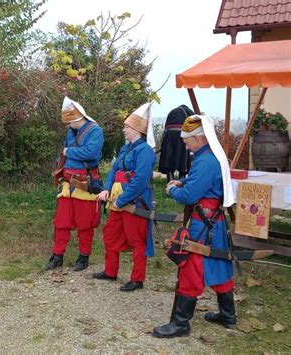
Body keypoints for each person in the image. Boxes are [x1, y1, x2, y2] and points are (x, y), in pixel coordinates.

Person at [153, 115, 236, 338]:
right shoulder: (208, 157)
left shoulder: (206, 161)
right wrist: (183, 180)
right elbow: (196, 182)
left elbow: (190, 196)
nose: (185, 143)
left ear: (199, 138)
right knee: (218, 266)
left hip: (203, 225)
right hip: (213, 223)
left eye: (187, 140)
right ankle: (228, 315)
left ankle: (180, 324)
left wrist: (173, 190)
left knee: (190, 269)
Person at [94, 103, 156, 292]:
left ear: (137, 129)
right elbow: (114, 170)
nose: (124, 130)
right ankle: (111, 271)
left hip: (133, 201)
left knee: (137, 239)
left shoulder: (145, 150)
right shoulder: (125, 148)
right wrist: (106, 189)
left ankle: (137, 279)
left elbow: (140, 180)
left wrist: (122, 200)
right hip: (116, 199)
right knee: (111, 233)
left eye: (127, 127)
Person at [45, 96, 104, 272]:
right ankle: (57, 255)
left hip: (85, 182)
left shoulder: (95, 131)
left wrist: (68, 151)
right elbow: (64, 153)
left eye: (69, 122)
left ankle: (84, 256)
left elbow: (90, 152)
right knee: (61, 221)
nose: (67, 126)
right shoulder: (71, 132)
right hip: (66, 183)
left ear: (77, 118)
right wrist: (61, 161)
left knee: (85, 223)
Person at [158, 105, 195, 182]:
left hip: (169, 136)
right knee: (183, 161)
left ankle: (170, 184)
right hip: (182, 135)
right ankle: (181, 184)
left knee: (169, 162)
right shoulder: (190, 112)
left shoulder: (172, 112)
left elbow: (166, 127)